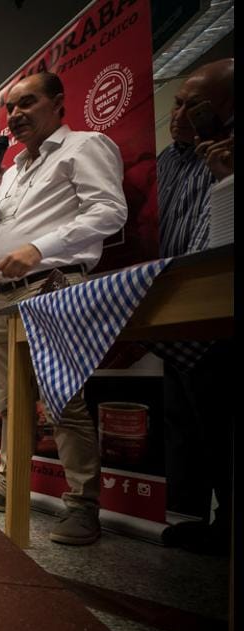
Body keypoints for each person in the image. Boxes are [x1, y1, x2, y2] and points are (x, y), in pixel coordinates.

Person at [0, 71, 128, 546]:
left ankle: (83, 505)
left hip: (51, 285)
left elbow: (109, 211)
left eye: (27, 103)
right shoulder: (9, 173)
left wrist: (40, 248)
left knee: (62, 399)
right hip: (5, 295)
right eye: (10, 108)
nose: (16, 115)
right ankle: (8, 484)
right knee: (9, 404)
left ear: (58, 103)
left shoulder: (85, 147)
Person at [156, 58, 234, 553]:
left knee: (224, 421)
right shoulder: (166, 161)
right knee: (187, 424)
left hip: (221, 312)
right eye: (177, 102)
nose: (179, 113)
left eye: (194, 106)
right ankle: (200, 518)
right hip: (168, 315)